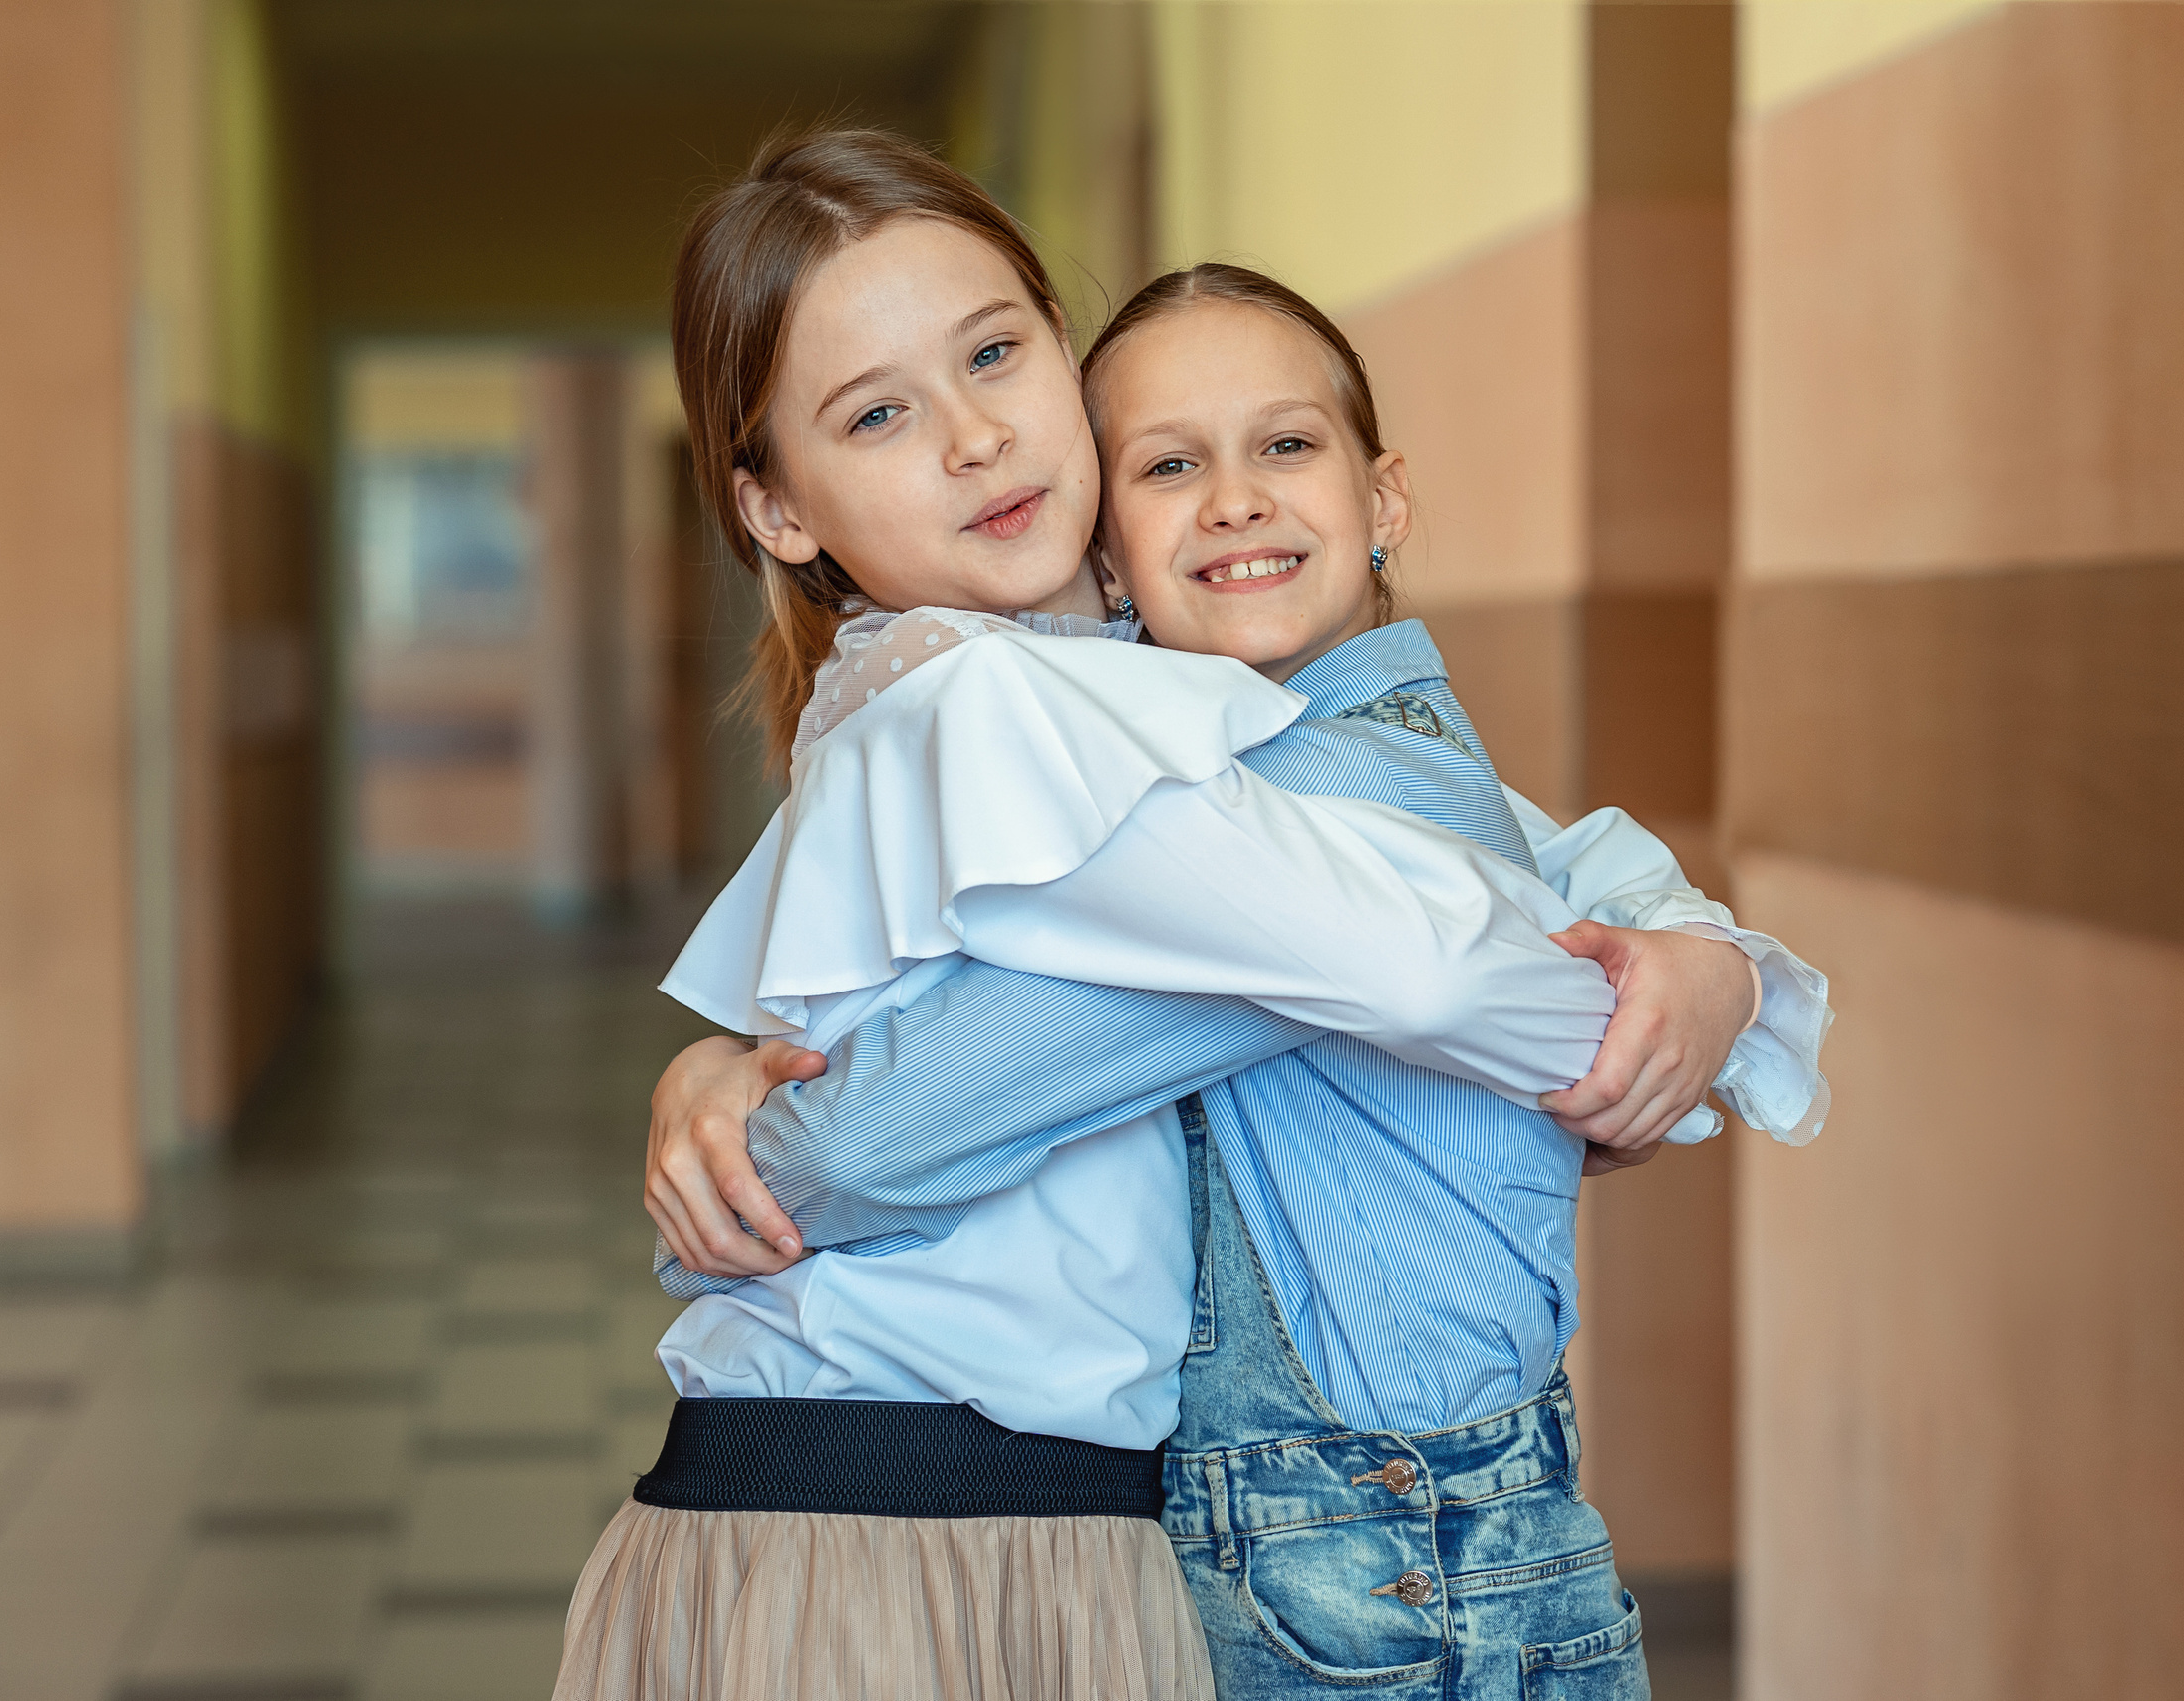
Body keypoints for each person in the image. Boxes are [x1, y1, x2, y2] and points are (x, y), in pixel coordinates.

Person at [571, 129, 1828, 1701]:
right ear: (776, 511)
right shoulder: (987, 702)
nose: (971, 438)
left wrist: (1706, 969)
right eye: (880, 413)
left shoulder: (1116, 697)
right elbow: (1410, 955)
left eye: (994, 354)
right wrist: (1608, 1029)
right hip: (897, 1516)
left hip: (1014, 1509)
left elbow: (1501, 857)